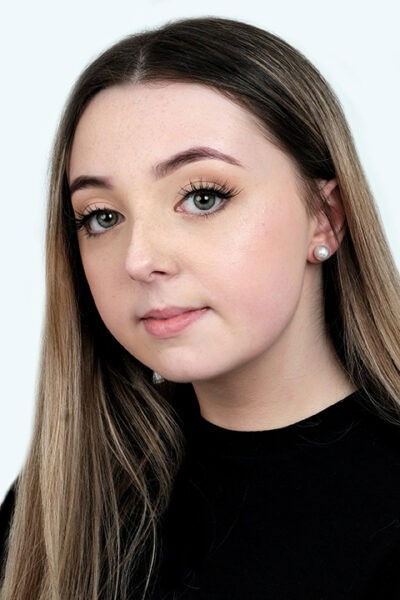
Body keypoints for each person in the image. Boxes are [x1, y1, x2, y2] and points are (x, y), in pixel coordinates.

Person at [1, 15, 400, 600]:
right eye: (102, 216)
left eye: (203, 197)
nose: (139, 259)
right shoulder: (64, 500)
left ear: (325, 218)